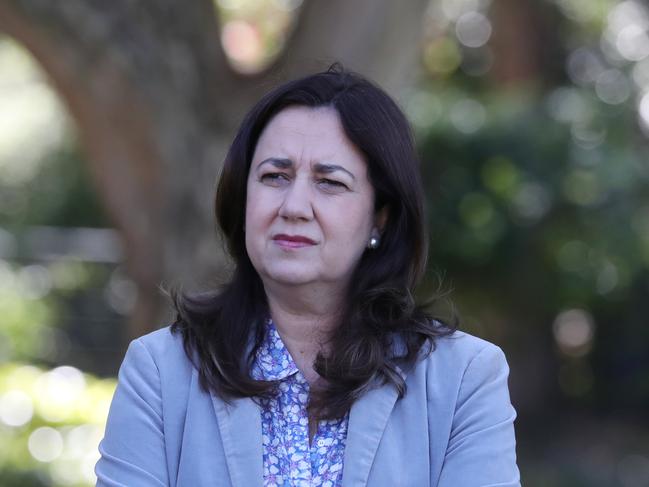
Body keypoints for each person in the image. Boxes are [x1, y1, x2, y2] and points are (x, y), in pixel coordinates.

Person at [95, 65, 520, 487]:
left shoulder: (463, 379)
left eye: (329, 182)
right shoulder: (162, 372)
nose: (294, 206)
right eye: (274, 177)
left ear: (381, 218)